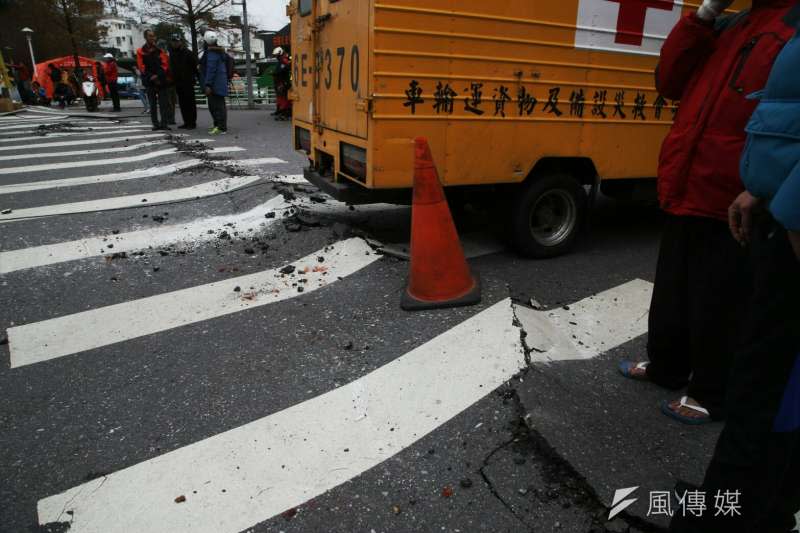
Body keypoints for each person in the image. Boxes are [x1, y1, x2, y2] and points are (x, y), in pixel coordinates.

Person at [618, 0, 797, 424]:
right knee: (674, 287)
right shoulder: (729, 23)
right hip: (689, 177)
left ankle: (711, 391)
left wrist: (765, 183)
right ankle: (667, 367)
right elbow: (670, 81)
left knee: (721, 300)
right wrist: (703, 16)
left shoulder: (792, 24)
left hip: (739, 191)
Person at [669, 9, 800, 531]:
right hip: (777, 206)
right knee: (763, 382)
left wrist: (792, 208)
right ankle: (739, 505)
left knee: (770, 389)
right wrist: (763, 186)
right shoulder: (745, 21)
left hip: (792, 227)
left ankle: (738, 517)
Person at [137, 29, 171, 131]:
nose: (152, 38)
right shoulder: (140, 51)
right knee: (152, 104)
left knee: (163, 103)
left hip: (161, 79)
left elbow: (164, 64)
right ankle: (155, 124)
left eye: (153, 36)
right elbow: (141, 66)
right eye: (150, 36)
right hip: (149, 80)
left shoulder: (159, 50)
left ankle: (164, 123)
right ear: (145, 37)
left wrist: (157, 75)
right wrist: (151, 76)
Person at [200, 31, 229, 135]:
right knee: (220, 105)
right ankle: (219, 125)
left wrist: (207, 84)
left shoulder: (212, 54)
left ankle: (220, 127)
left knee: (215, 106)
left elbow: (211, 70)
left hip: (214, 84)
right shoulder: (220, 52)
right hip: (220, 82)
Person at [168, 33, 198, 129]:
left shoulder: (188, 53)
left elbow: (195, 66)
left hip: (188, 82)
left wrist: (195, 77)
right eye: (173, 41)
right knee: (182, 103)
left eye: (177, 41)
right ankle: (186, 121)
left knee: (190, 103)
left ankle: (192, 122)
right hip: (178, 82)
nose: (175, 43)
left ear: (180, 42)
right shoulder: (172, 54)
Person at [272, 47, 292, 121]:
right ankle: (282, 112)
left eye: (276, 55)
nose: (276, 57)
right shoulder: (282, 61)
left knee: (284, 98)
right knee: (282, 98)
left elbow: (285, 70)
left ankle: (285, 114)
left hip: (283, 82)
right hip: (281, 81)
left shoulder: (285, 60)